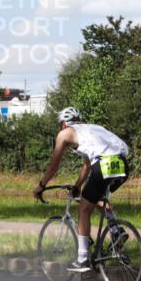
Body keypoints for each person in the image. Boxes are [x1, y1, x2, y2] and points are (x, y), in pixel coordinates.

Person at [33, 107, 130, 272]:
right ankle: (116, 231)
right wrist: (77, 187)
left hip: (103, 165)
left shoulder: (65, 133)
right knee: (97, 199)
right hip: (122, 165)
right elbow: (86, 166)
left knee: (84, 209)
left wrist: (40, 186)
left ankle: (83, 259)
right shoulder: (91, 130)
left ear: (64, 124)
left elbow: (54, 166)